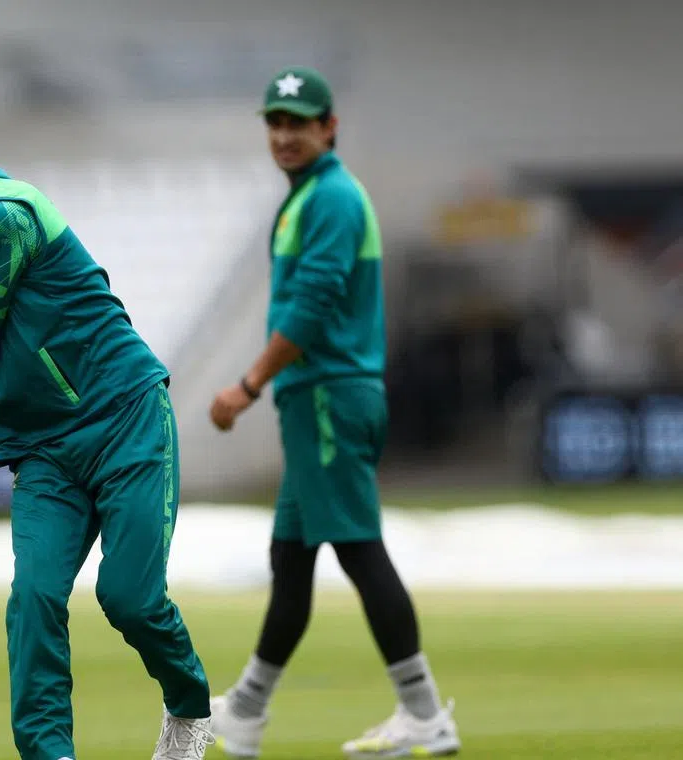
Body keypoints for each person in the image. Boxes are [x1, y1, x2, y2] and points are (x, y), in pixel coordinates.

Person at [0, 88, 215, 760]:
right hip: (43, 454)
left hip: (121, 418)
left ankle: (188, 707)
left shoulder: (0, 211)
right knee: (32, 603)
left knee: (129, 598)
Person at [206, 67, 462, 759]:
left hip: (326, 397)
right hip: (320, 401)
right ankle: (248, 711)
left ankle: (425, 713)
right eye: (276, 123)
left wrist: (247, 385)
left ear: (330, 127)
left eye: (299, 122)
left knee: (357, 548)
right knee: (291, 558)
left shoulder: (331, 200)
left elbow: (311, 308)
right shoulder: (313, 197)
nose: (285, 136)